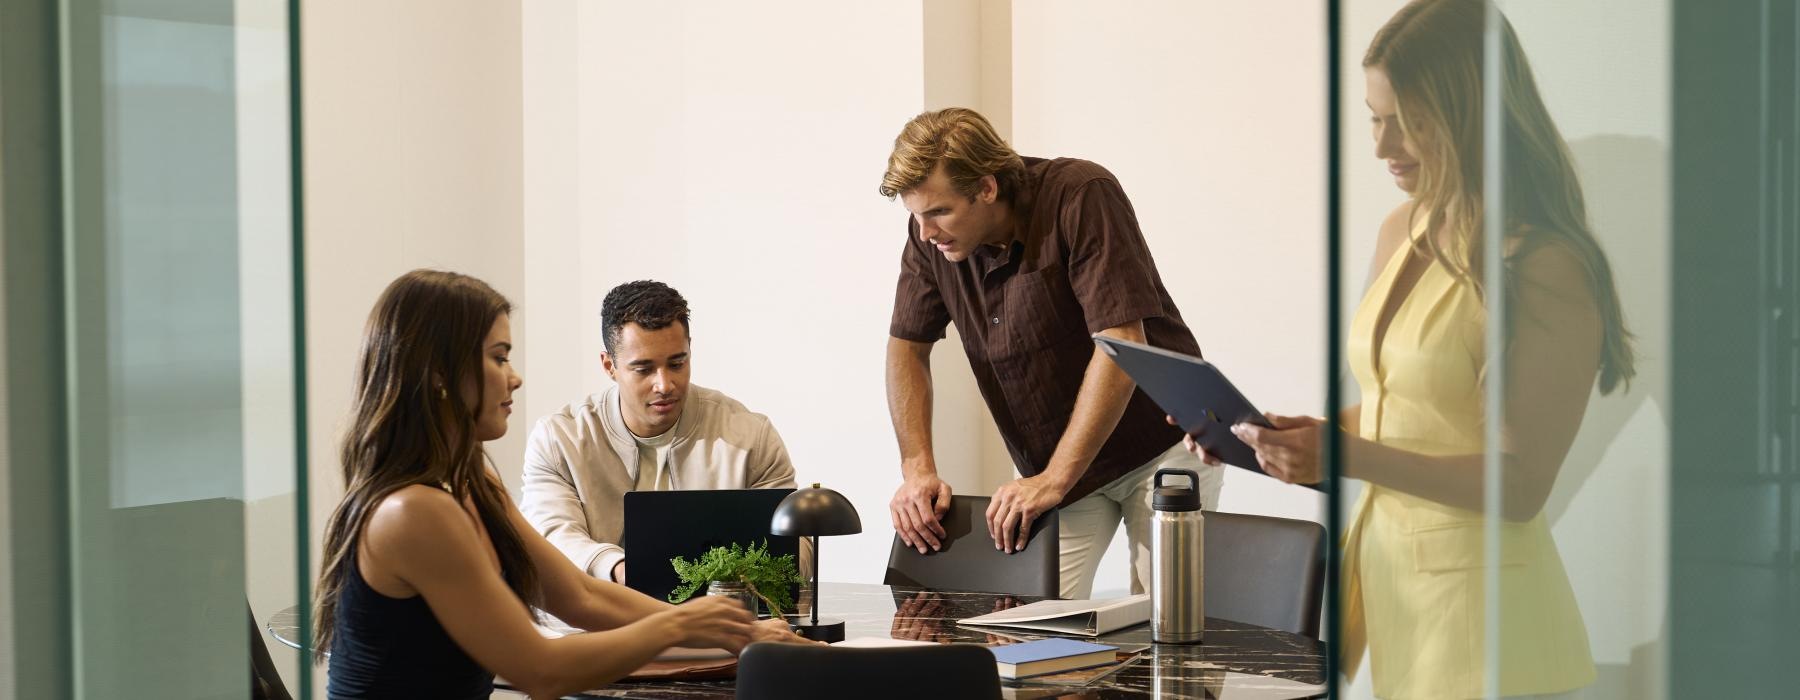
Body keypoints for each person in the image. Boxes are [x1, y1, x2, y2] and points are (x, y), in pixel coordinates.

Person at [1198, 1, 1631, 696]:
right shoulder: (1402, 226)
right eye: (1375, 116)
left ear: (1475, 114)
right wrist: (1275, 436)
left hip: (1490, 630)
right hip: (1396, 596)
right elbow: (1401, 411)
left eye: (1411, 120)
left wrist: (1342, 455)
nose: (1382, 146)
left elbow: (1520, 486)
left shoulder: (1545, 264)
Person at [314, 270, 810, 700]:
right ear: (441, 375)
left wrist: (731, 630)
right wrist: (686, 623)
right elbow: (542, 670)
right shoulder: (414, 514)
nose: (515, 378)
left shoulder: (474, 480)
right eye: (499, 357)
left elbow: (578, 595)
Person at [880, 107, 1220, 599]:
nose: (927, 231)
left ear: (987, 187)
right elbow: (906, 349)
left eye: (939, 211)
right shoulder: (930, 240)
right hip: (1055, 462)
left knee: (1170, 623)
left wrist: (1054, 480)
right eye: (916, 214)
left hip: (1163, 445)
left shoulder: (1081, 194)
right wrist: (917, 471)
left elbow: (1121, 341)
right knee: (1027, 628)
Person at [520, 280, 805, 585]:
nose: (664, 384)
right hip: (590, 624)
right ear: (609, 365)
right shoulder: (559, 440)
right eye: (643, 369)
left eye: (677, 363)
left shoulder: (750, 437)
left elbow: (794, 549)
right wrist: (619, 567)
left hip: (721, 619)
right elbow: (550, 537)